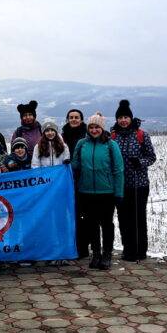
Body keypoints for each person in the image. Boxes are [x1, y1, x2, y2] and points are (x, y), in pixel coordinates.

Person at [71, 112, 124, 270]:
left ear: (102, 128)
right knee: (91, 224)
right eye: (91, 127)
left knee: (106, 224)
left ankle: (107, 254)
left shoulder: (110, 145)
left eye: (97, 127)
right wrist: (67, 164)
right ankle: (95, 253)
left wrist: (118, 193)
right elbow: (75, 164)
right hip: (86, 191)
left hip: (106, 192)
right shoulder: (82, 144)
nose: (94, 130)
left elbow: (118, 169)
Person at [111, 100, 157, 261]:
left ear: (130, 118)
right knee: (124, 219)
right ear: (116, 120)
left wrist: (140, 162)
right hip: (120, 185)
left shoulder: (141, 134)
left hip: (139, 184)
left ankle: (140, 250)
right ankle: (128, 249)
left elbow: (151, 157)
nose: (123, 120)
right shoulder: (113, 136)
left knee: (138, 218)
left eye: (126, 117)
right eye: (120, 118)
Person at [62, 109, 89, 258]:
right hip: (66, 179)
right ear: (67, 119)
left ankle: (83, 246)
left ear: (81, 119)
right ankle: (70, 245)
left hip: (84, 179)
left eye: (76, 117)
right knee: (70, 214)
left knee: (83, 214)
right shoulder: (62, 136)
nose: (74, 120)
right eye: (71, 117)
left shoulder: (87, 134)